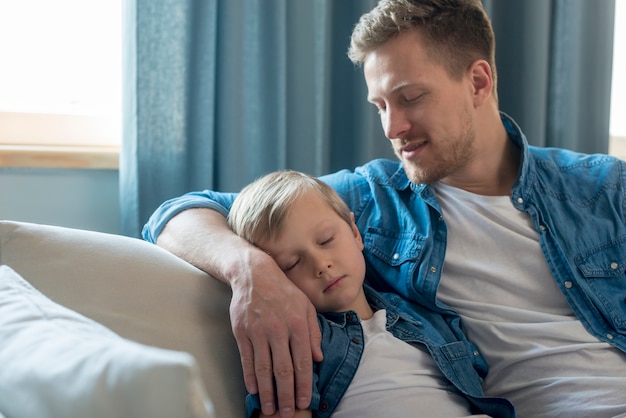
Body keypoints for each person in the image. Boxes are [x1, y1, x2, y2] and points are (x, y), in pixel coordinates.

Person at [142, 0, 626, 417]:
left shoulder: (603, 188)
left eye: (410, 97)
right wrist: (251, 271)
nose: (393, 127)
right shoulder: (371, 200)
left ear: (478, 82)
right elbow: (179, 213)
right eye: (380, 105)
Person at [228, 169, 514, 418]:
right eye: (292, 263)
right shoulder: (300, 341)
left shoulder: (425, 318)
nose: (321, 264)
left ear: (355, 232)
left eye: (326, 240)